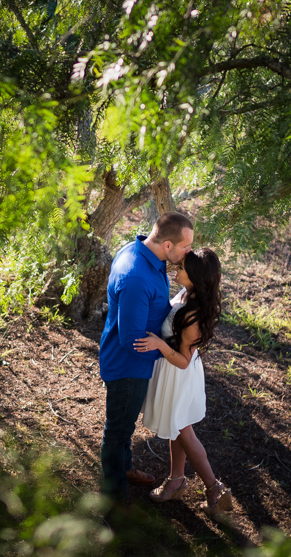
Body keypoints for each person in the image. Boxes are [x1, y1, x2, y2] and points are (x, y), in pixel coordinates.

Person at [99, 211, 194, 505]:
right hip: (129, 367)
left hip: (138, 362)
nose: (188, 252)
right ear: (167, 245)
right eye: (185, 247)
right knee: (117, 432)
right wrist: (170, 349)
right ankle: (114, 498)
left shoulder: (143, 254)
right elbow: (131, 339)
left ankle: (125, 469)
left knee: (124, 425)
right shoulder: (137, 276)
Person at [133, 247, 233, 515]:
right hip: (172, 371)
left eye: (182, 269)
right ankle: (177, 479)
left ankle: (214, 489)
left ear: (195, 277)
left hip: (178, 373)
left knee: (184, 431)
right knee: (176, 427)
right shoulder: (188, 295)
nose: (176, 270)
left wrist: (158, 344)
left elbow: (183, 360)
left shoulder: (193, 316)